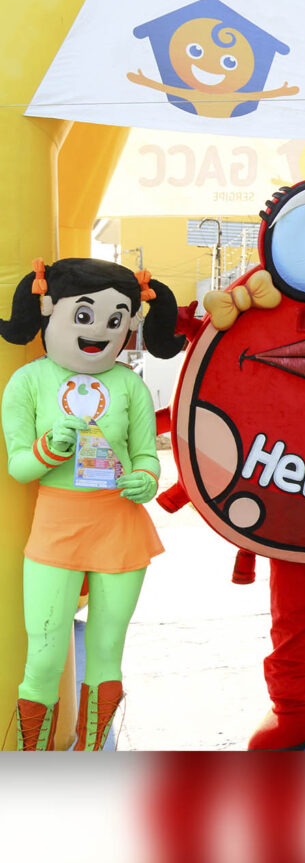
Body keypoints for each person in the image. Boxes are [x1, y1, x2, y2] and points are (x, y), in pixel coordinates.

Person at [0, 257, 185, 750]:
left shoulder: (130, 384)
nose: (100, 330)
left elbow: (146, 455)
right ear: (49, 310)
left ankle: (90, 755)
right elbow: (20, 467)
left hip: (120, 528)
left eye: (115, 319)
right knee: (43, 657)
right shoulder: (28, 382)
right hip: (54, 531)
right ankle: (31, 765)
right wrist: (48, 449)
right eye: (84, 315)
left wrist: (146, 479)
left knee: (106, 653)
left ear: (130, 323)